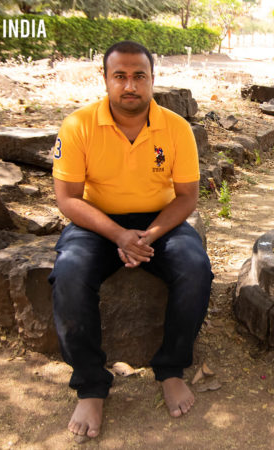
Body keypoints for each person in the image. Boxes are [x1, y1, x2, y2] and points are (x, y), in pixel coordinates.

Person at [48, 40, 212, 440]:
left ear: (152, 80)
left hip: (160, 221)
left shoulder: (176, 128)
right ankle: (90, 385)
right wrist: (119, 234)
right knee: (68, 273)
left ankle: (171, 368)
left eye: (139, 76)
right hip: (96, 222)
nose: (130, 86)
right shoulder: (78, 126)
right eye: (119, 76)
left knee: (195, 268)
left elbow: (187, 196)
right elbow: (67, 198)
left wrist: (148, 235)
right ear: (105, 79)